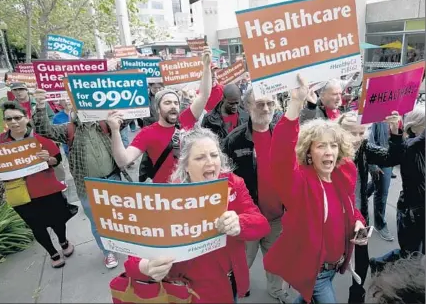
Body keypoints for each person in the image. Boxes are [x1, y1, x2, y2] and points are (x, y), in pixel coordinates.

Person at [123, 126, 270, 303]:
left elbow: (261, 224)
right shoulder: (168, 200)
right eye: (200, 157)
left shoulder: (234, 184)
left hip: (230, 283)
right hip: (190, 294)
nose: (210, 162)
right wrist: (146, 267)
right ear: (185, 165)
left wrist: (240, 223)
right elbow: (133, 259)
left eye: (214, 155)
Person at [264, 75, 368, 304]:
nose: (329, 151)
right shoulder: (301, 182)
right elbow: (281, 157)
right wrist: (295, 104)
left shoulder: (343, 174)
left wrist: (358, 223)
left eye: (333, 145)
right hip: (316, 270)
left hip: (335, 266)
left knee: (305, 298)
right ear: (309, 152)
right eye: (321, 146)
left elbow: (349, 209)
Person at [32, 90, 130, 269]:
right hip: (88, 186)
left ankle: (125, 243)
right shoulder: (68, 129)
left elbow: (131, 115)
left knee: (121, 216)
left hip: (113, 179)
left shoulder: (105, 124)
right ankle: (108, 252)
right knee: (97, 221)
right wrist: (40, 106)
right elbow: (43, 129)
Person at [109, 46, 213, 184]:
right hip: (164, 194)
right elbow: (123, 160)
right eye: (167, 103)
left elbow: (204, 95)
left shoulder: (185, 120)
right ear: (158, 109)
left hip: (190, 188)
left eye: (176, 103)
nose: (173, 106)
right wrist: (115, 130)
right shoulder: (147, 133)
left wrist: (206, 67)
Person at [0, 101, 74, 268]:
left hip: (47, 190)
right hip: (20, 193)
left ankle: (63, 242)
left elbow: (56, 159)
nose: (13, 122)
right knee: (36, 226)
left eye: (17, 118)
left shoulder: (40, 139)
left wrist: (47, 158)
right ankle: (53, 253)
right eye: (9, 119)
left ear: (26, 118)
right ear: (5, 121)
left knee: (58, 220)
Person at [222, 89, 288, 301]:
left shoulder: (282, 135)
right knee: (239, 263)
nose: (266, 108)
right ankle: (234, 292)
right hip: (246, 219)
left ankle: (276, 291)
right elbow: (224, 178)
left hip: (277, 217)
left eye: (270, 103)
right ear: (247, 106)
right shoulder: (234, 140)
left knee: (276, 260)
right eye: (260, 104)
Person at [338, 111, 403, 303]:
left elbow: (391, 158)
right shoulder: (328, 151)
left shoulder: (364, 147)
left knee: (362, 262)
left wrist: (394, 130)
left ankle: (356, 297)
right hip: (332, 220)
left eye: (361, 133)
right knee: (326, 268)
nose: (357, 139)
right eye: (352, 134)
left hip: (359, 218)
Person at [369, 106, 425, 271]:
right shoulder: (411, 147)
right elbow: (394, 154)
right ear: (415, 127)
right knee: (410, 254)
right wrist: (396, 131)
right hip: (411, 213)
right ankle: (379, 263)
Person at [366, 122, 395, 241]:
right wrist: (372, 165)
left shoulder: (401, 112)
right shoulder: (378, 115)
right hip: (380, 157)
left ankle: (364, 194)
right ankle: (380, 223)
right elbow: (369, 140)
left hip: (392, 154)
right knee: (382, 191)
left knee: (378, 183)